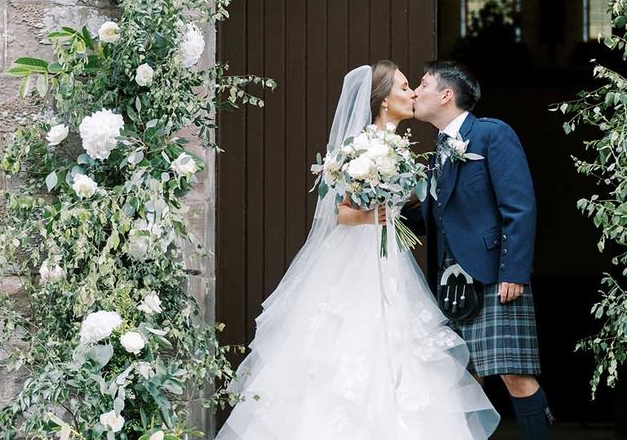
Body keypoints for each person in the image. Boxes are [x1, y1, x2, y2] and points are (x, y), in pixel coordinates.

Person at [216, 61, 499, 440]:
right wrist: (371, 217)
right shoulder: (360, 148)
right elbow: (341, 213)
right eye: (403, 88)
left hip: (390, 261)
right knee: (348, 345)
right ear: (383, 101)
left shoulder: (403, 148)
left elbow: (417, 204)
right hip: (356, 259)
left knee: (401, 349)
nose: (412, 93)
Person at [408, 60, 553, 440]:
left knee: (514, 375)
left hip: (493, 273)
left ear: (446, 94)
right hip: (450, 280)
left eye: (422, 85)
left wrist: (514, 272)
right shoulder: (437, 151)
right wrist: (379, 209)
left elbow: (519, 208)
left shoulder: (492, 134)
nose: (415, 93)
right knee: (462, 378)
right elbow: (434, 217)